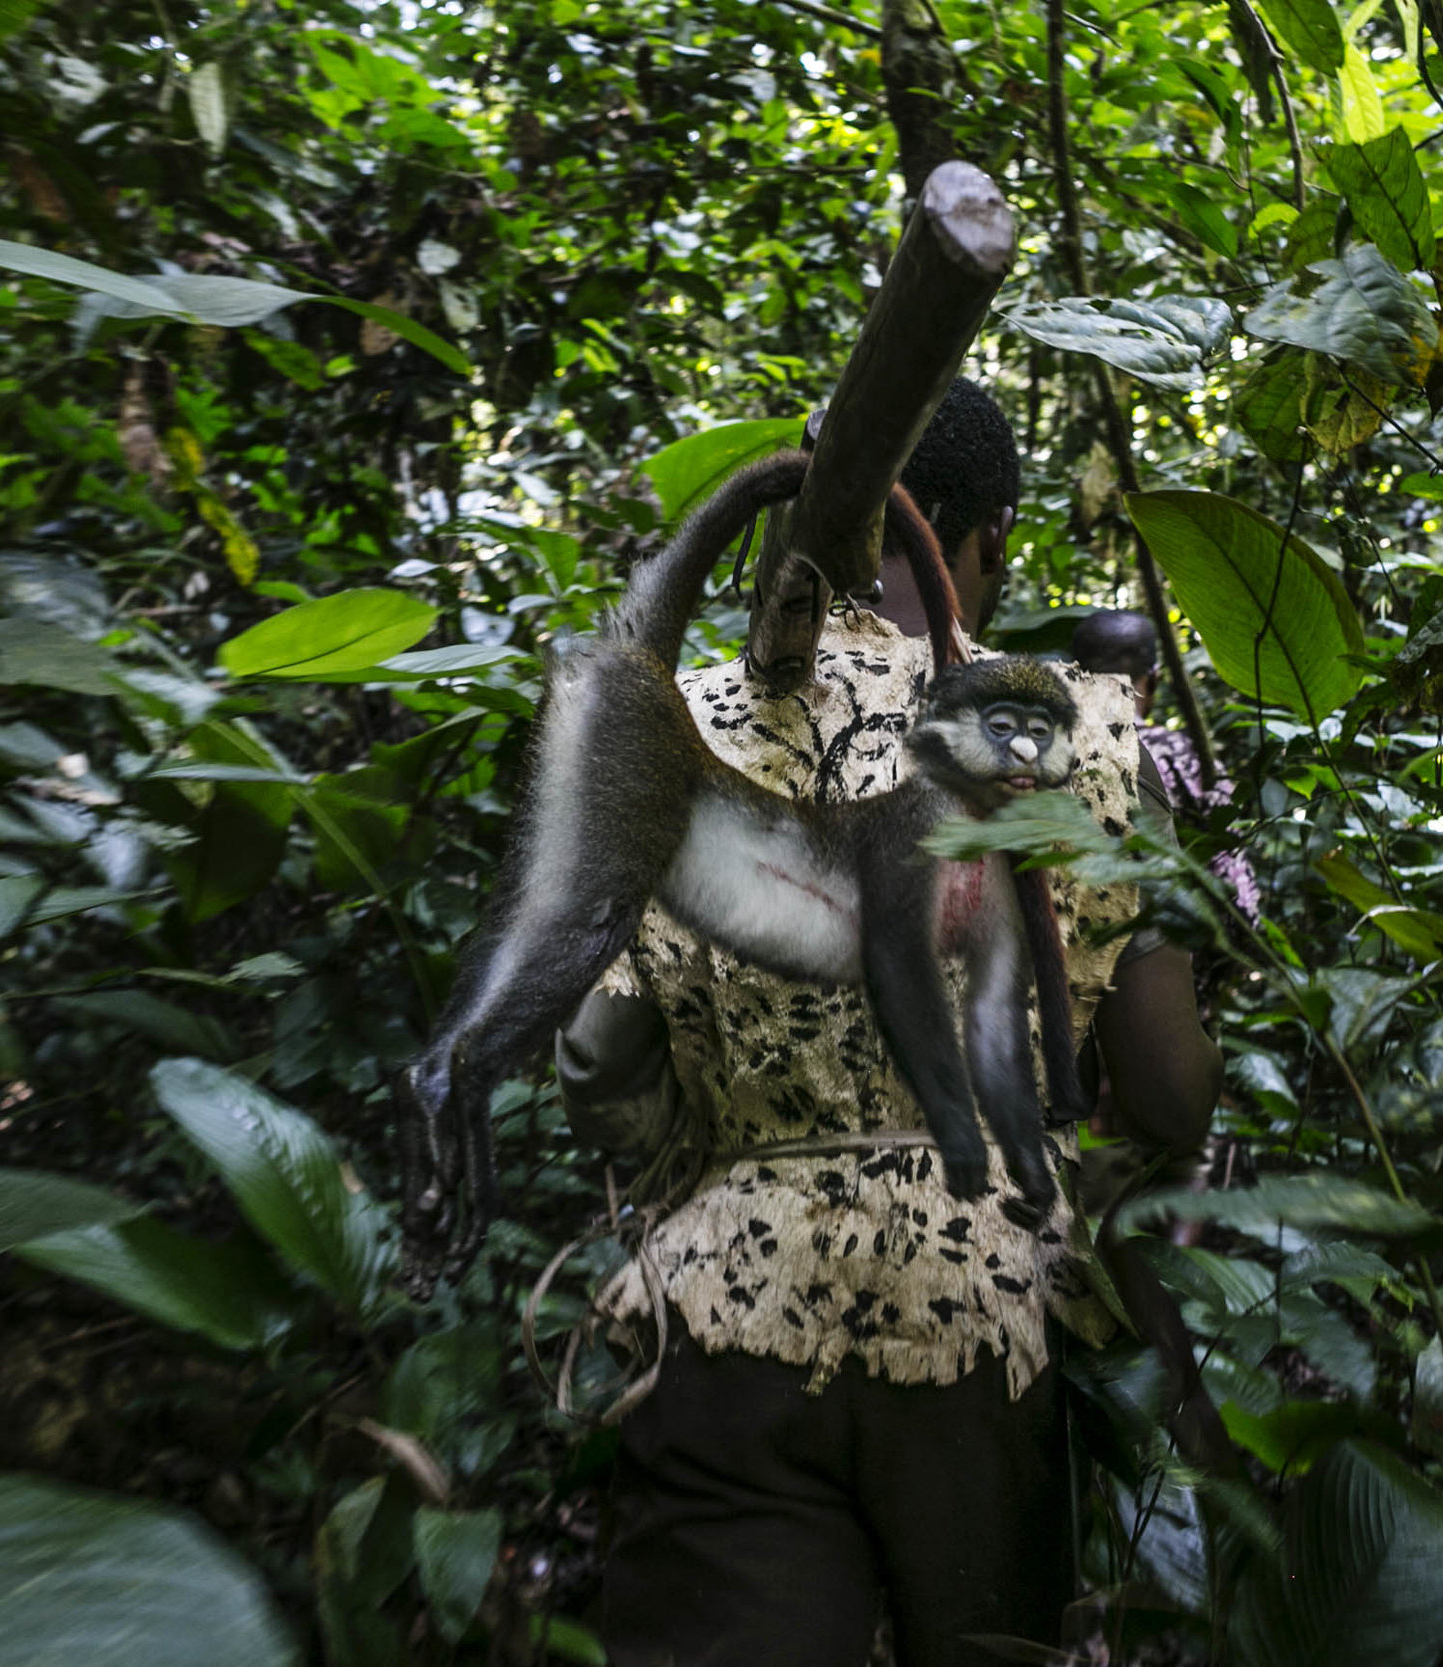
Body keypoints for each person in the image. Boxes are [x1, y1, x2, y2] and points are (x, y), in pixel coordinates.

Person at [557, 378, 1222, 1667]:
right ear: (994, 537)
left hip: (722, 1318)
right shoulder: (1087, 738)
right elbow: (1171, 1088)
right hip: (977, 1315)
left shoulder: (683, 722)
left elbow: (601, 1058)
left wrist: (707, 1141)